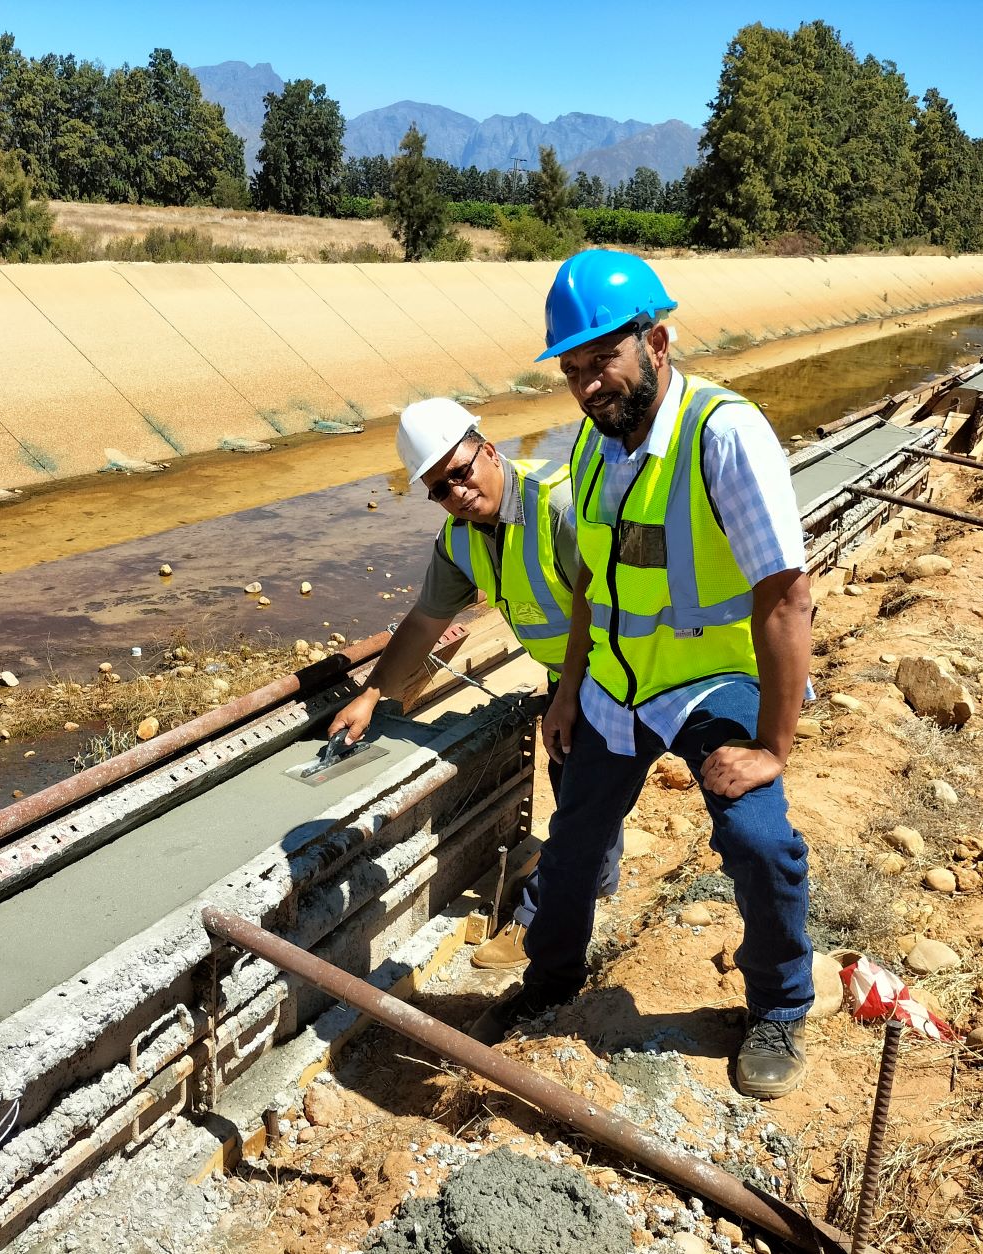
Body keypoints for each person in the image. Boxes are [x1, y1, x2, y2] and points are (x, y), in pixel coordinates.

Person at [488, 248, 816, 1100]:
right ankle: (551, 982)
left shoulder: (724, 435)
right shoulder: (593, 453)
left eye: (604, 360)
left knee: (757, 838)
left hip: (709, 680)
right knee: (573, 850)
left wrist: (773, 747)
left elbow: (785, 597)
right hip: (616, 686)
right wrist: (568, 693)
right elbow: (594, 585)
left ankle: (780, 1005)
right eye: (574, 368)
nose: (589, 383)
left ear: (657, 343)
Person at [328, 397, 623, 972]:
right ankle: (597, 878)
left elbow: (606, 608)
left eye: (461, 473)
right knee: (574, 783)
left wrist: (570, 696)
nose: (456, 492)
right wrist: (371, 692)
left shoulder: (558, 507)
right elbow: (423, 622)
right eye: (439, 488)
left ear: (487, 451)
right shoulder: (461, 539)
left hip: (621, 670)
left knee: (582, 804)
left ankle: (539, 927)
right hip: (568, 674)